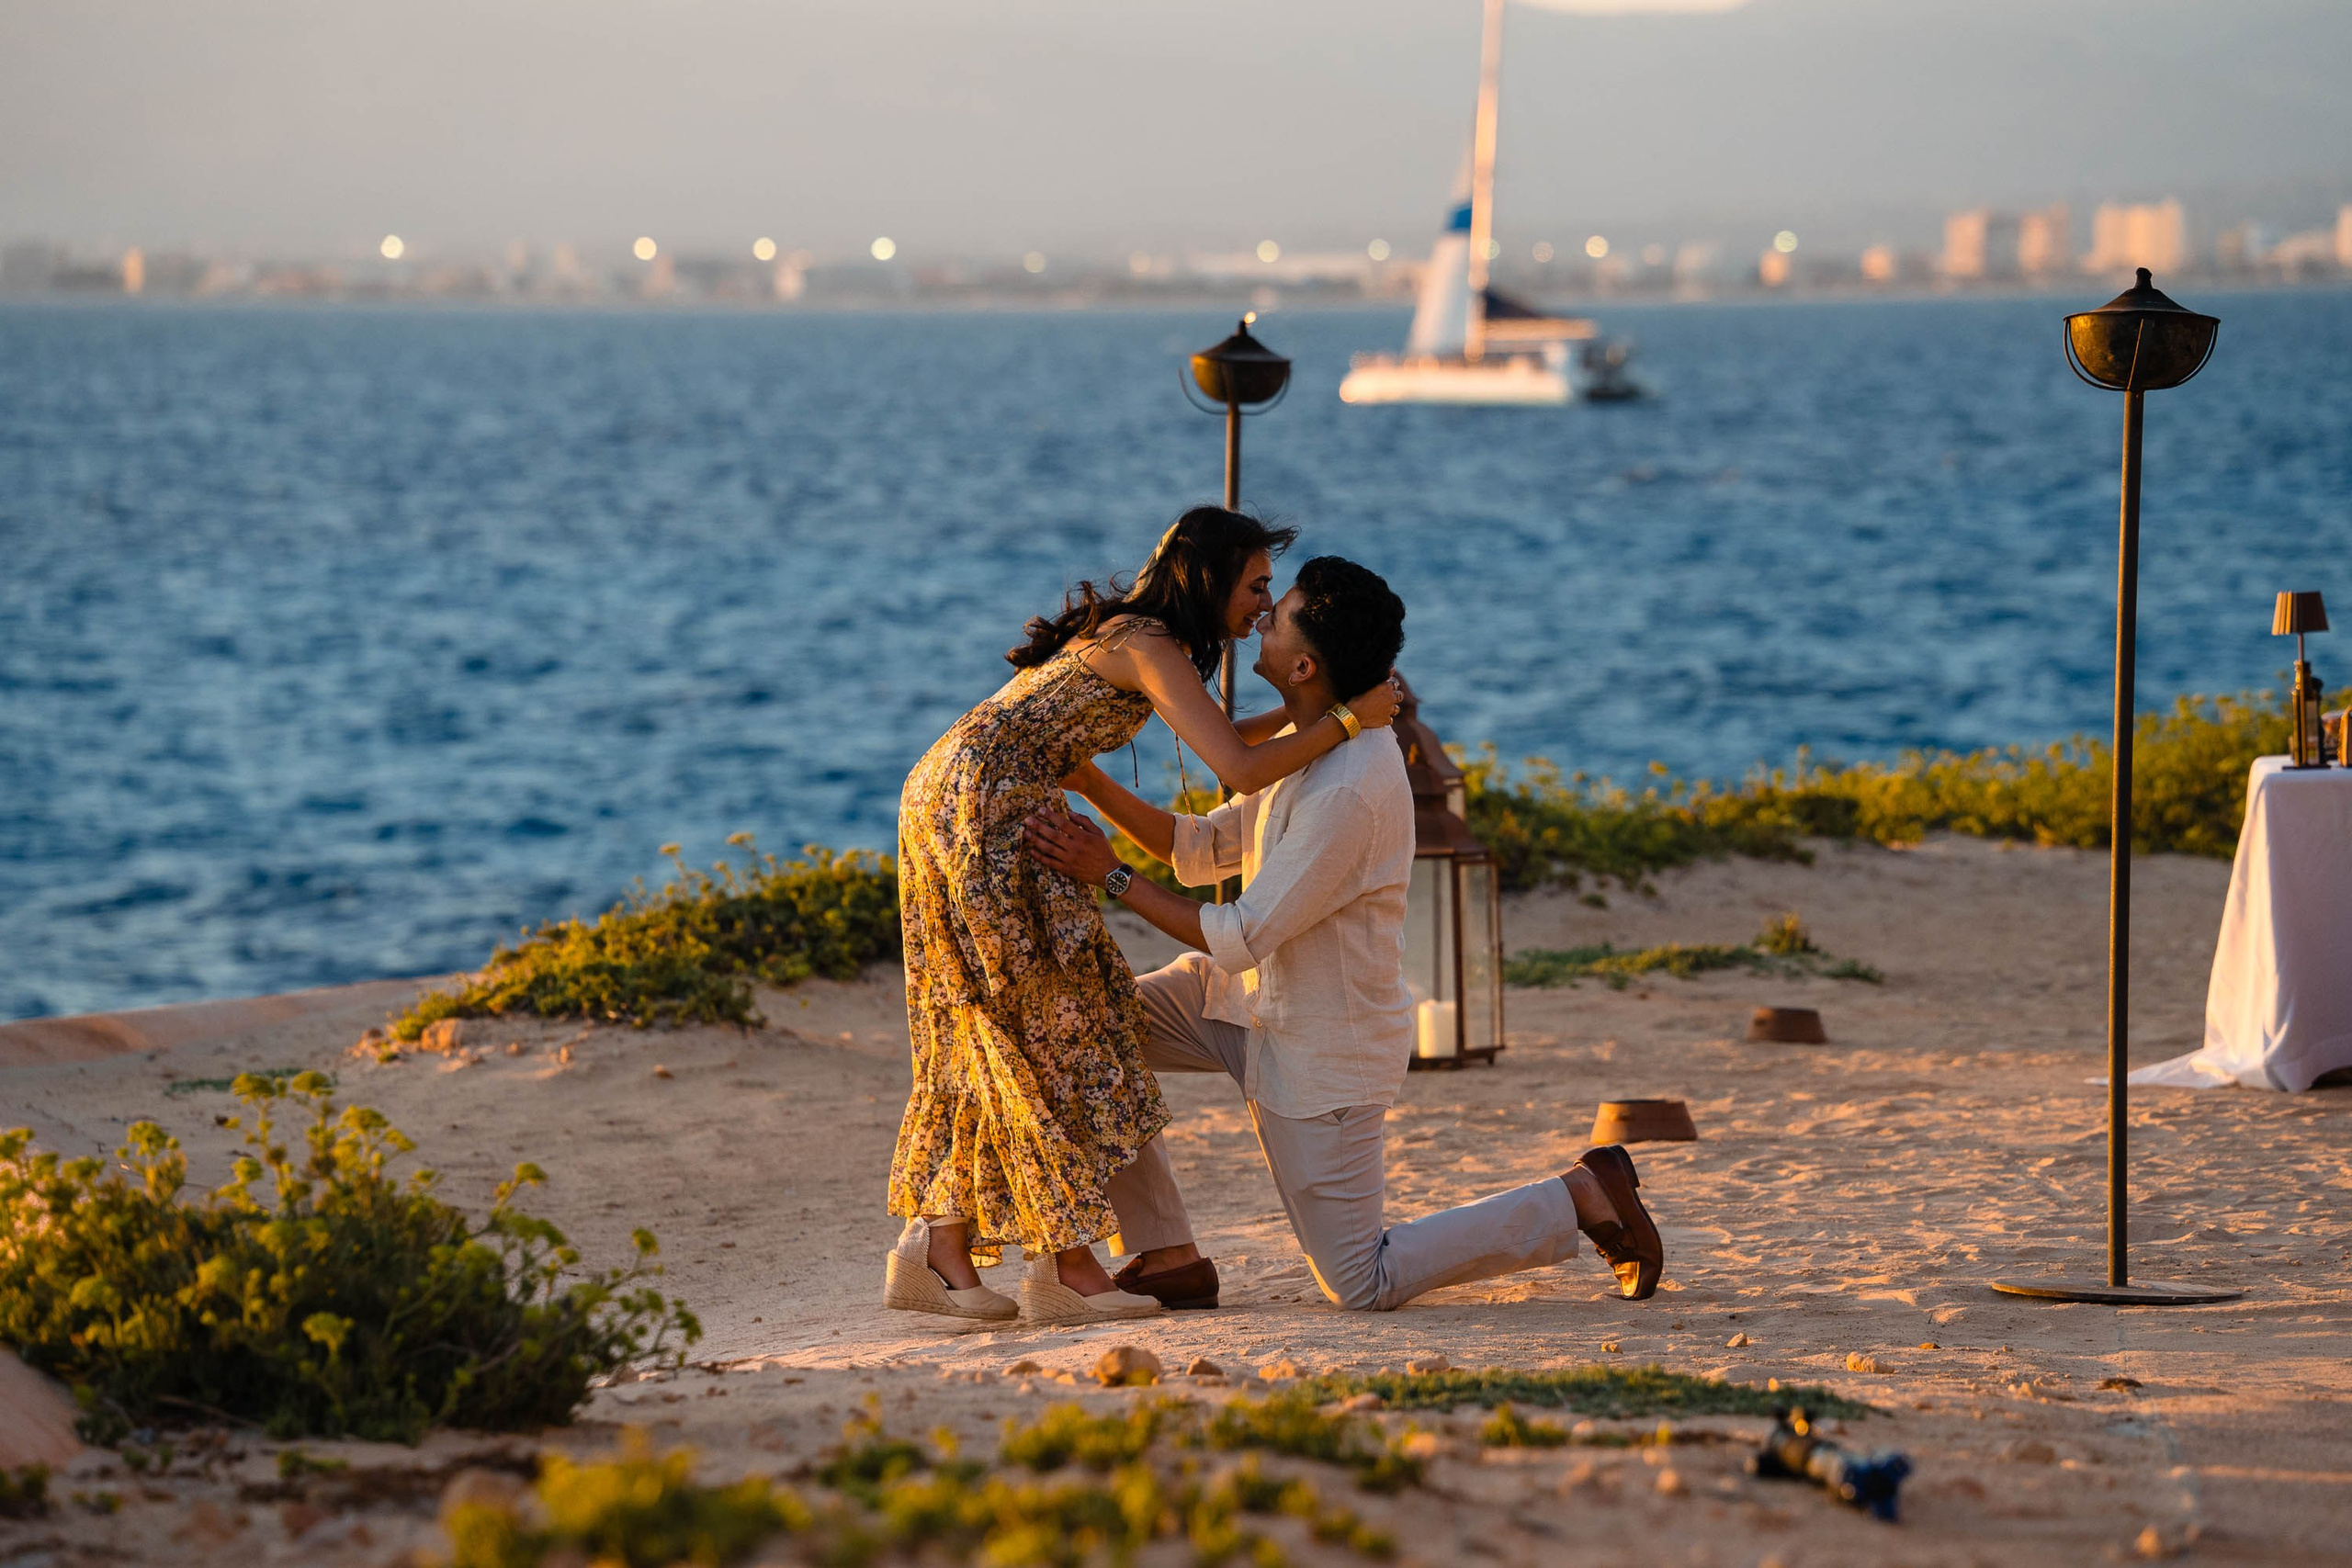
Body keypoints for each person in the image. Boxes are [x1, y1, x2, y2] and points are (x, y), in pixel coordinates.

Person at [1024, 556, 1665, 1313]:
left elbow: (1238, 932)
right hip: (1236, 1004)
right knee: (1084, 1029)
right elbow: (1203, 851)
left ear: (1302, 664)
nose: (1260, 616)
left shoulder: (1353, 786)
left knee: (1363, 1280)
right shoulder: (1315, 743)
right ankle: (1166, 1255)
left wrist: (1111, 875)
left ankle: (1584, 1193)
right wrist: (1096, 786)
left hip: (1320, 1054)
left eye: (1279, 611)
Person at [885, 509, 1403, 1326]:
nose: (1264, 607)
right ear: (1212, 579)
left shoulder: (1145, 639)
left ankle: (944, 1247)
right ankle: (1058, 1265)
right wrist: (1344, 720)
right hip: (986, 808)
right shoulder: (1149, 644)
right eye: (1256, 585)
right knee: (1037, 1017)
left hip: (962, 794)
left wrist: (1330, 711)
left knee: (1004, 1018)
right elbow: (1236, 764)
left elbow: (1227, 737)